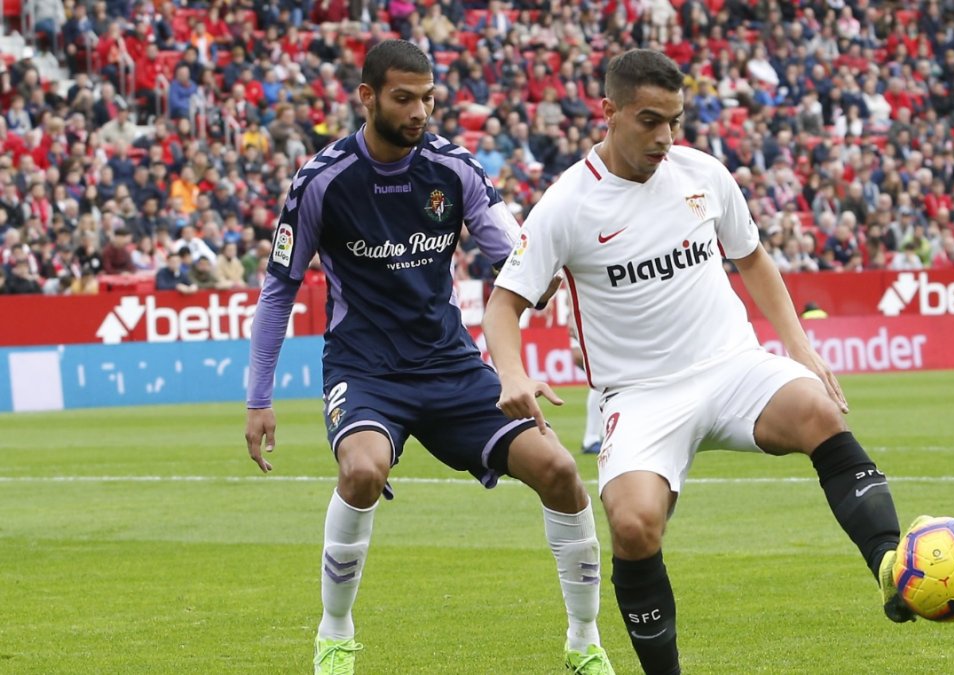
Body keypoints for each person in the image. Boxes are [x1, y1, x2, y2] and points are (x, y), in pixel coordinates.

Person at [483, 50, 915, 675]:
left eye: (676, 122)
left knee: (819, 411)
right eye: (649, 120)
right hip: (638, 395)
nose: (664, 137)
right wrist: (512, 372)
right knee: (634, 527)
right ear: (609, 113)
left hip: (732, 366)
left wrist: (798, 346)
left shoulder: (704, 174)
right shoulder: (567, 204)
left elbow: (754, 258)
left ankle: (891, 567)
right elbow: (502, 305)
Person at [243, 40, 613, 675]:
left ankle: (585, 643)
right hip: (365, 370)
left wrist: (538, 276)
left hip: (453, 368)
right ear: (367, 98)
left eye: (429, 99)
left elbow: (513, 251)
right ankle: (335, 634)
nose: (420, 112)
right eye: (404, 98)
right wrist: (259, 399)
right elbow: (279, 288)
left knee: (558, 470)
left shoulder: (454, 168)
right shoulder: (321, 181)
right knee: (361, 470)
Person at [568, 318, 604, 455]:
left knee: (605, 379)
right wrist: (571, 314)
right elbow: (576, 356)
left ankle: (598, 436)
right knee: (603, 377)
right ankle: (592, 438)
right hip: (590, 318)